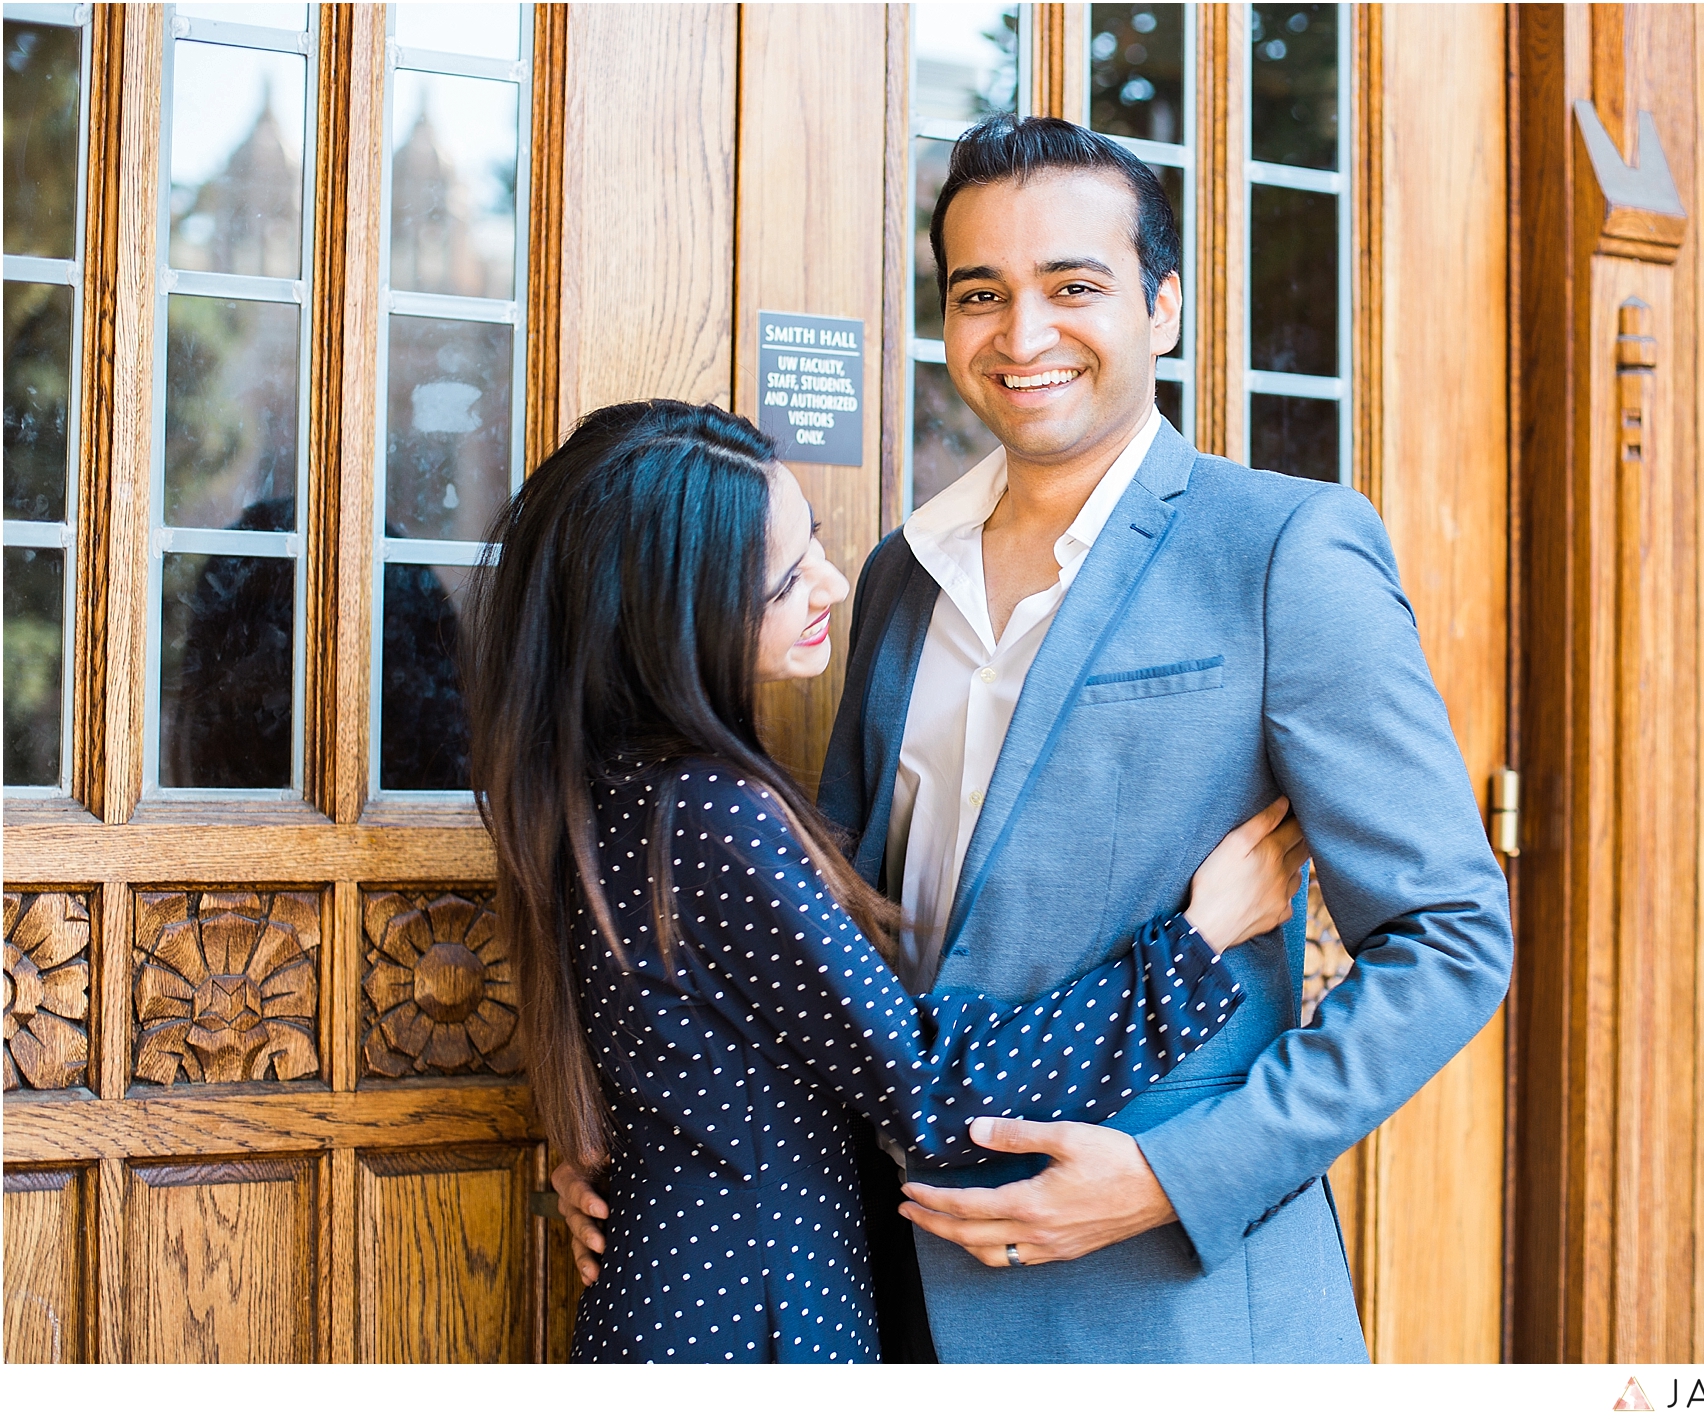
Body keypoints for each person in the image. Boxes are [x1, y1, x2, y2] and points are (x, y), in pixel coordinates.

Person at [559, 114, 1514, 1363]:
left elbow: (1448, 939)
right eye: (979, 294)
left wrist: (1176, 1177)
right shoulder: (896, 576)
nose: (1022, 336)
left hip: (1162, 1307)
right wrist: (670, 1143)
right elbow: (838, 943)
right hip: (891, 1291)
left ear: (1160, 306)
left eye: (1073, 286)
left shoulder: (1286, 551)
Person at [463, 398, 1311, 1362]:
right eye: (786, 580)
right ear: (679, 615)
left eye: (814, 542)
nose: (832, 580)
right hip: (750, 1318)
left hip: (680, 1287)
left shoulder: (602, 785)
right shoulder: (706, 809)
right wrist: (1195, 948)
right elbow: (934, 1091)